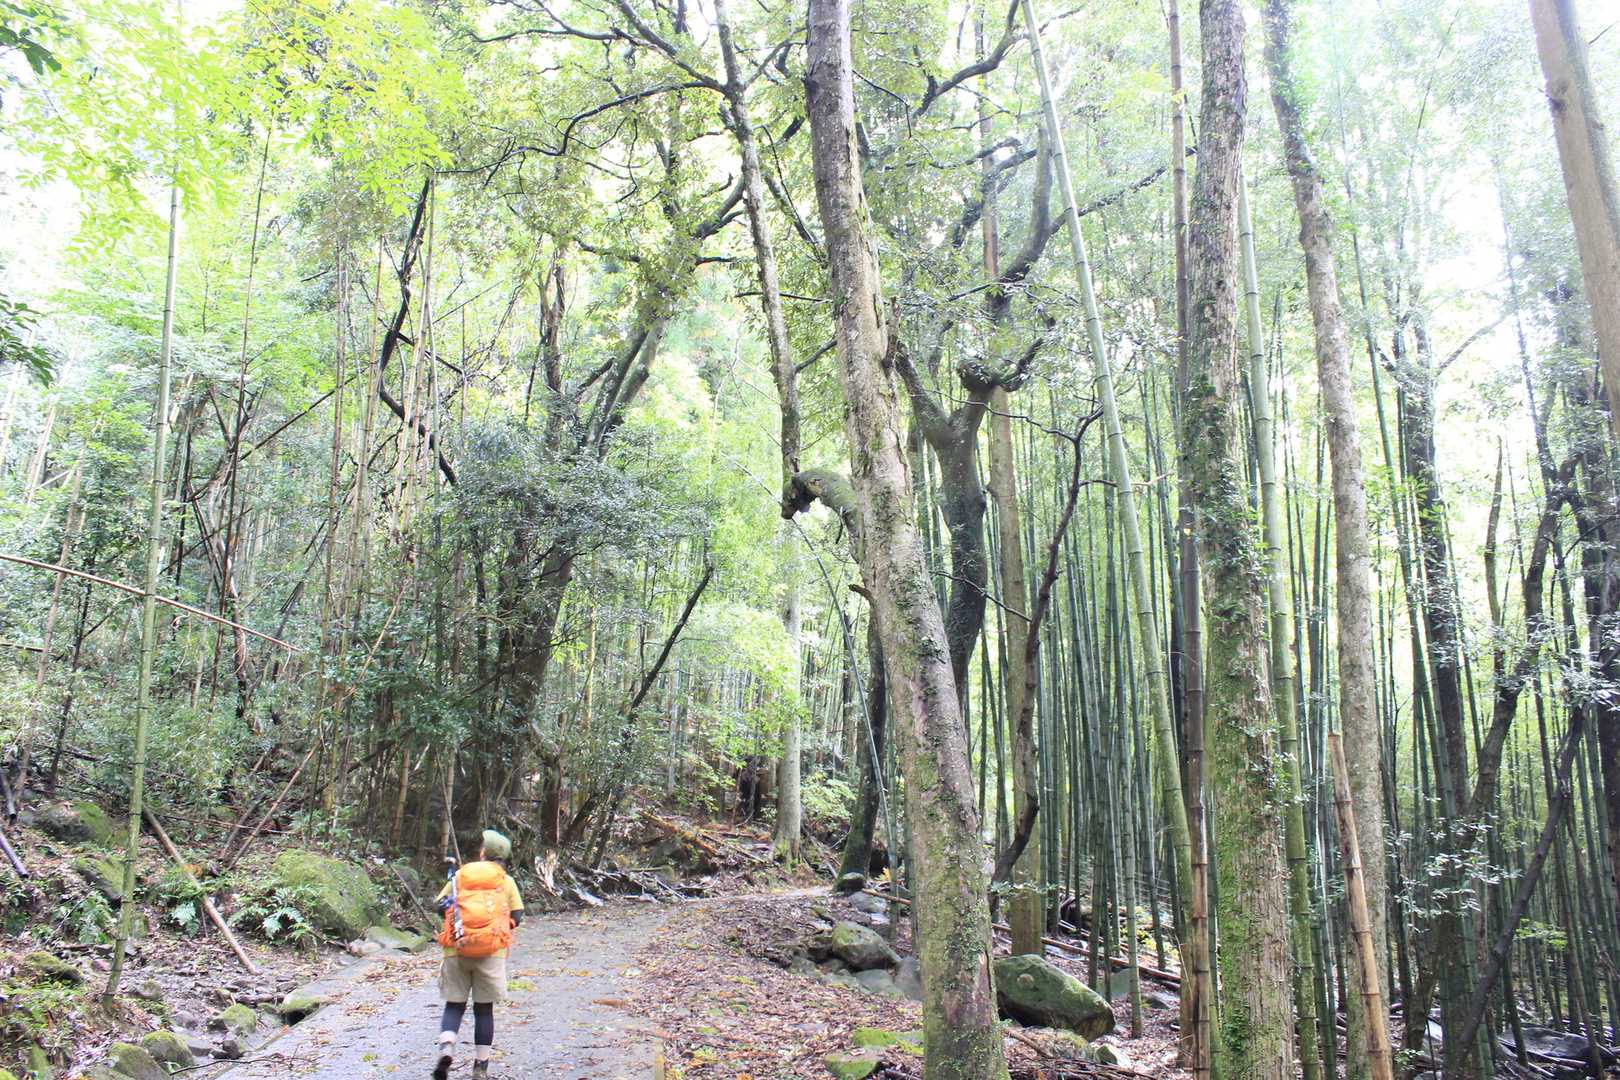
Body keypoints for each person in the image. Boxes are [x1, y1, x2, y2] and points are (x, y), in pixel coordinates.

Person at [432, 829, 524, 1079]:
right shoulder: (506, 881)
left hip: (457, 949)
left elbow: (439, 906)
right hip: (491, 952)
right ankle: (480, 1068)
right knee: (484, 1010)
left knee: (454, 1005)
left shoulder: (461, 875)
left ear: (483, 852)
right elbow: (517, 916)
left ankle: (447, 1046)